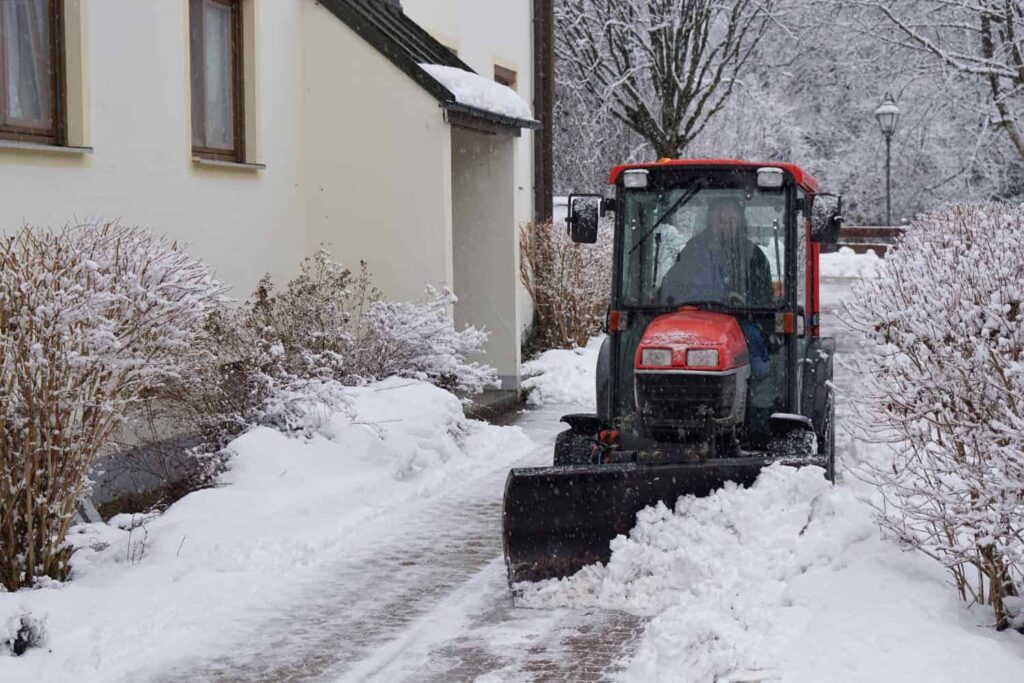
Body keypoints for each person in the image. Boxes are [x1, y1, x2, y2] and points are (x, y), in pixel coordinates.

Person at [658, 196, 773, 307]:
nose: (725, 224)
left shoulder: (753, 256)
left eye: (731, 219)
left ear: (740, 222)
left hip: (740, 322)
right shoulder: (693, 251)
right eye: (720, 218)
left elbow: (763, 302)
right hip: (696, 320)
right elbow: (669, 291)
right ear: (710, 220)